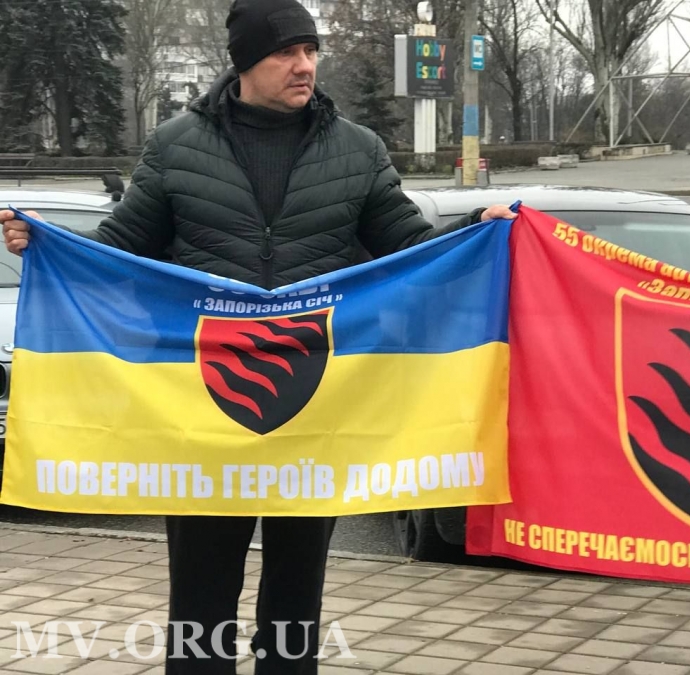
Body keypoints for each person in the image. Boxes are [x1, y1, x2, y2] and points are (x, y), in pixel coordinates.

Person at [0, 1, 516, 673]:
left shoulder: (357, 149)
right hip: (203, 414)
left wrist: (477, 229)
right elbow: (122, 250)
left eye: (311, 51)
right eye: (286, 53)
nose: (304, 66)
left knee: (297, 598)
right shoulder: (177, 146)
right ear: (245, 62)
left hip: (316, 405)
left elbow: (409, 247)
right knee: (200, 596)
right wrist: (49, 240)